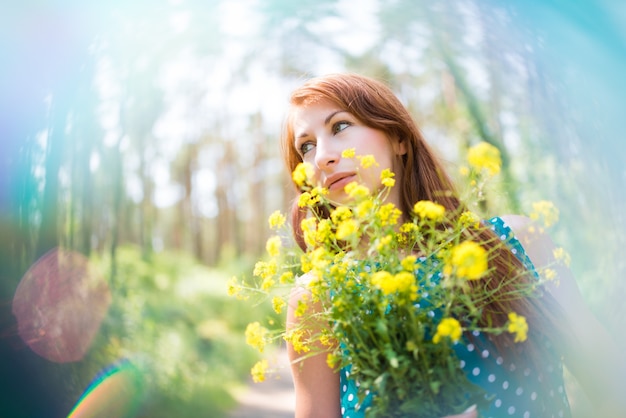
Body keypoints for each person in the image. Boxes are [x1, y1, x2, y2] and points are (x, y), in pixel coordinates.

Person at [281, 73, 626, 418]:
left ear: (399, 138)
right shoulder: (320, 298)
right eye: (306, 147)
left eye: (340, 126)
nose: (321, 157)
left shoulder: (517, 243)